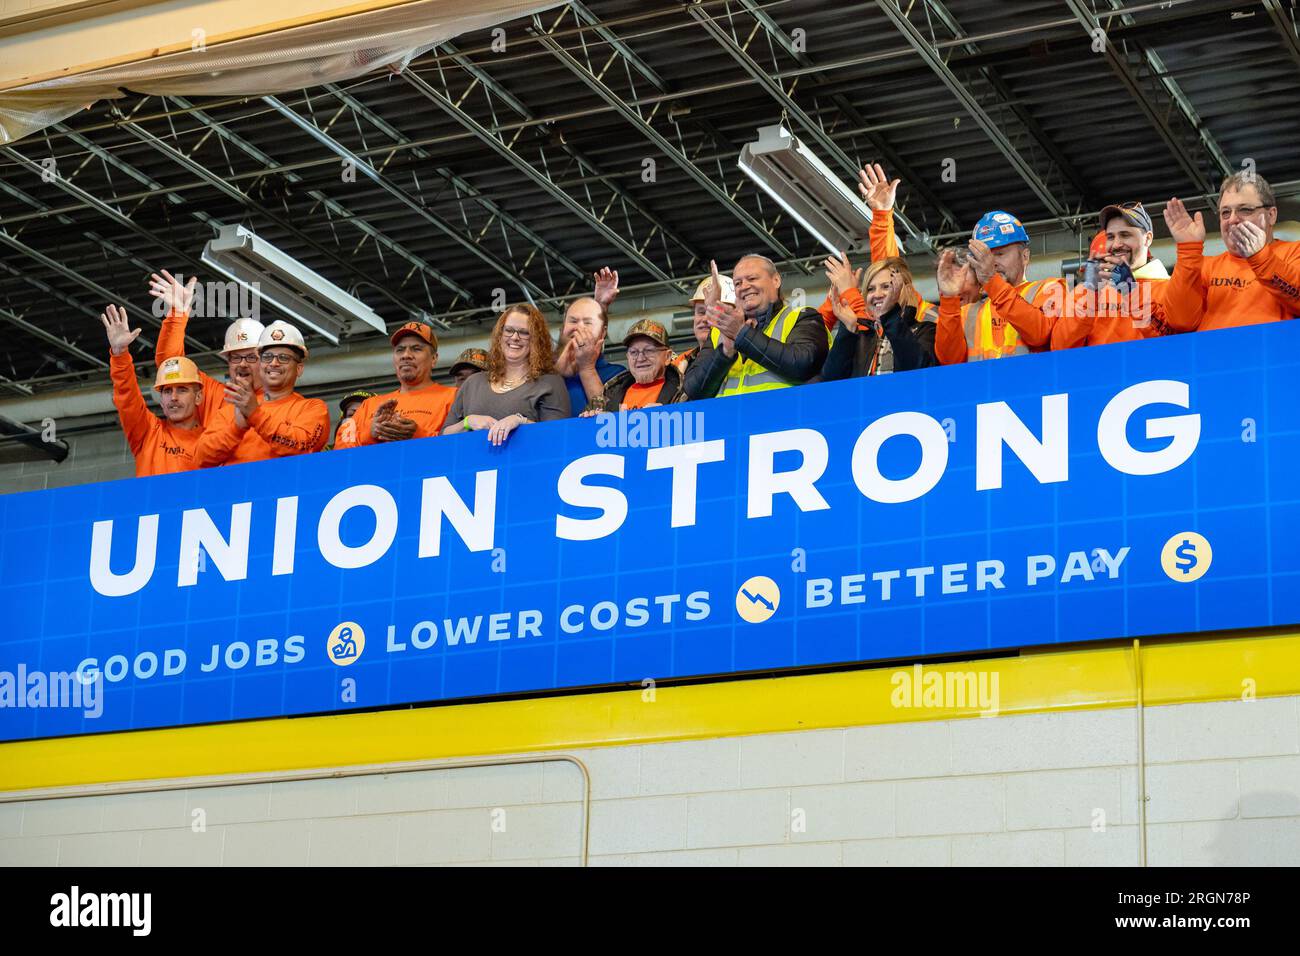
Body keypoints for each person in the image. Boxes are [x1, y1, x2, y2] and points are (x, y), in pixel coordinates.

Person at [1162, 171, 1300, 330]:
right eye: (1226, 212)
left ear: (1271, 215)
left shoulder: (1294, 252)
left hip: (1274, 353)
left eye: (1245, 210)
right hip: (1211, 354)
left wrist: (1260, 257)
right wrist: (1188, 250)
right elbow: (1180, 321)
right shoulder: (1206, 266)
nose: (1233, 219)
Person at [683, 255, 830, 399]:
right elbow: (693, 391)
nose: (744, 287)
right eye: (738, 283)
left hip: (783, 421)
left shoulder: (802, 316)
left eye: (752, 279)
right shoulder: (718, 333)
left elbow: (803, 365)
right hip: (730, 422)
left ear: (776, 280)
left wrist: (741, 334)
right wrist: (725, 352)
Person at [934, 211, 1066, 364]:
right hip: (983, 388)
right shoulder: (967, 312)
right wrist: (949, 300)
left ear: (1025, 256)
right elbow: (949, 361)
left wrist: (992, 281)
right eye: (985, 256)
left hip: (1032, 386)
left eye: (1000, 254)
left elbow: (1039, 334)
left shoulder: (1050, 289)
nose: (991, 263)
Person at [195, 320, 329, 466]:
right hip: (237, 489)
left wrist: (255, 415)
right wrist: (236, 428)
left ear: (299, 368)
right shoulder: (231, 412)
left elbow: (303, 447)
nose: (274, 363)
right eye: (267, 357)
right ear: (260, 365)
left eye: (283, 358)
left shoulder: (312, 408)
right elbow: (200, 459)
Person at [1052, 202, 1178, 349]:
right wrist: (1089, 293)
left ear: (1148, 238)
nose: (1116, 244)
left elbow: (1173, 346)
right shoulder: (1088, 292)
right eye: (1110, 237)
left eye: (1125, 235)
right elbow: (1060, 348)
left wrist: (1131, 291)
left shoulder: (1173, 287)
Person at [99, 304, 206, 476]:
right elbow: (127, 398)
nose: (174, 397)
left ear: (198, 396)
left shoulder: (214, 441)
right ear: (161, 400)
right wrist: (120, 354)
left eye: (182, 390)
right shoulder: (148, 433)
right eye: (167, 391)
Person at [148, 269, 265, 426]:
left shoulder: (285, 403)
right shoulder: (216, 397)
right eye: (235, 357)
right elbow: (171, 366)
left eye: (251, 357)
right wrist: (178, 314)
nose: (242, 364)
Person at [442, 304, 570, 446]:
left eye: (524, 332)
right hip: (472, 466)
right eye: (509, 330)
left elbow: (559, 437)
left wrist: (521, 421)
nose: (515, 337)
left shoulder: (550, 382)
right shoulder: (473, 383)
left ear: (536, 339)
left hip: (525, 465)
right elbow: (443, 437)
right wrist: (467, 422)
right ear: (499, 335)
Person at [333, 321, 457, 451]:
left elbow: (463, 444)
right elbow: (340, 449)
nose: (406, 355)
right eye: (400, 350)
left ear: (434, 359)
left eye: (416, 349)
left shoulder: (453, 396)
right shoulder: (368, 405)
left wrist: (418, 434)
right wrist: (370, 432)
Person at [821, 256, 936, 380]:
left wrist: (889, 315)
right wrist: (847, 330)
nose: (877, 294)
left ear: (906, 290)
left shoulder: (926, 330)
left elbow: (921, 373)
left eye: (886, 286)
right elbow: (831, 380)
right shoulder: (859, 336)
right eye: (871, 289)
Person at [554, 268, 626, 412]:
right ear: (562, 329)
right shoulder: (543, 371)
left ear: (603, 333)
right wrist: (555, 373)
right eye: (573, 321)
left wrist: (586, 367)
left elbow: (611, 419)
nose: (579, 328)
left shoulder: (617, 375)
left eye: (587, 323)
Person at [584, 320, 683, 412]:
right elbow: (584, 429)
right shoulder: (607, 396)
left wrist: (667, 418)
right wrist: (589, 420)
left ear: (667, 357)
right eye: (634, 352)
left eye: (649, 351)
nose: (640, 359)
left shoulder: (685, 391)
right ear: (627, 357)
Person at [672, 275, 737, 377]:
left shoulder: (742, 357)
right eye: (701, 312)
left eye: (714, 313)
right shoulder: (679, 363)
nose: (705, 319)